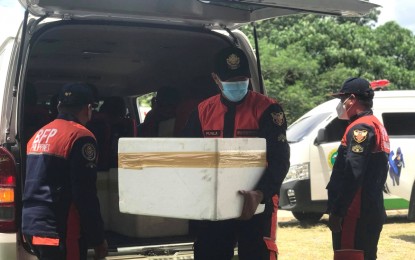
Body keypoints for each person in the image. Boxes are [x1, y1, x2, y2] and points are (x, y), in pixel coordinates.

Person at [182, 46, 290, 260]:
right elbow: (188, 157)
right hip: (214, 204)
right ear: (216, 79)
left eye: (242, 79)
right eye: (230, 81)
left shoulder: (268, 110)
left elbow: (280, 159)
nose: (237, 85)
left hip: (256, 201)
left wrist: (261, 192)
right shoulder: (202, 112)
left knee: (256, 254)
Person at [22, 82, 108, 260]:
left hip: (32, 225)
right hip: (61, 228)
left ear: (59, 106)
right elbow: (85, 194)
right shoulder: (80, 136)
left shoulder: (38, 135)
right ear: (88, 109)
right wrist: (98, 239)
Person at [326, 77, 390, 260]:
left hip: (354, 212)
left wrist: (338, 212)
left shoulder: (360, 128)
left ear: (352, 99)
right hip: (370, 209)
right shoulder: (376, 124)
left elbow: (353, 173)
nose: (340, 104)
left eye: (342, 100)